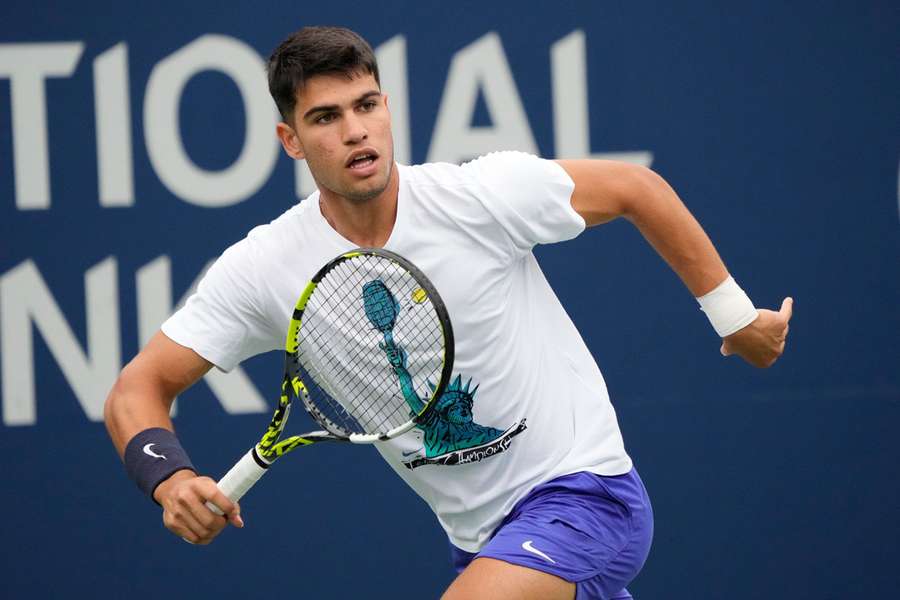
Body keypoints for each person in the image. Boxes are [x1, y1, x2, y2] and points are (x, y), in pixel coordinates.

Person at [104, 26, 793, 600]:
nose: (355, 130)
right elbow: (137, 389)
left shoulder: (480, 195)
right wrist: (169, 477)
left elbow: (636, 189)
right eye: (326, 117)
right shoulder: (265, 267)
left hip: (586, 495)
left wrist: (733, 317)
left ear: (387, 107)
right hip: (484, 544)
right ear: (291, 140)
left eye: (367, 105)